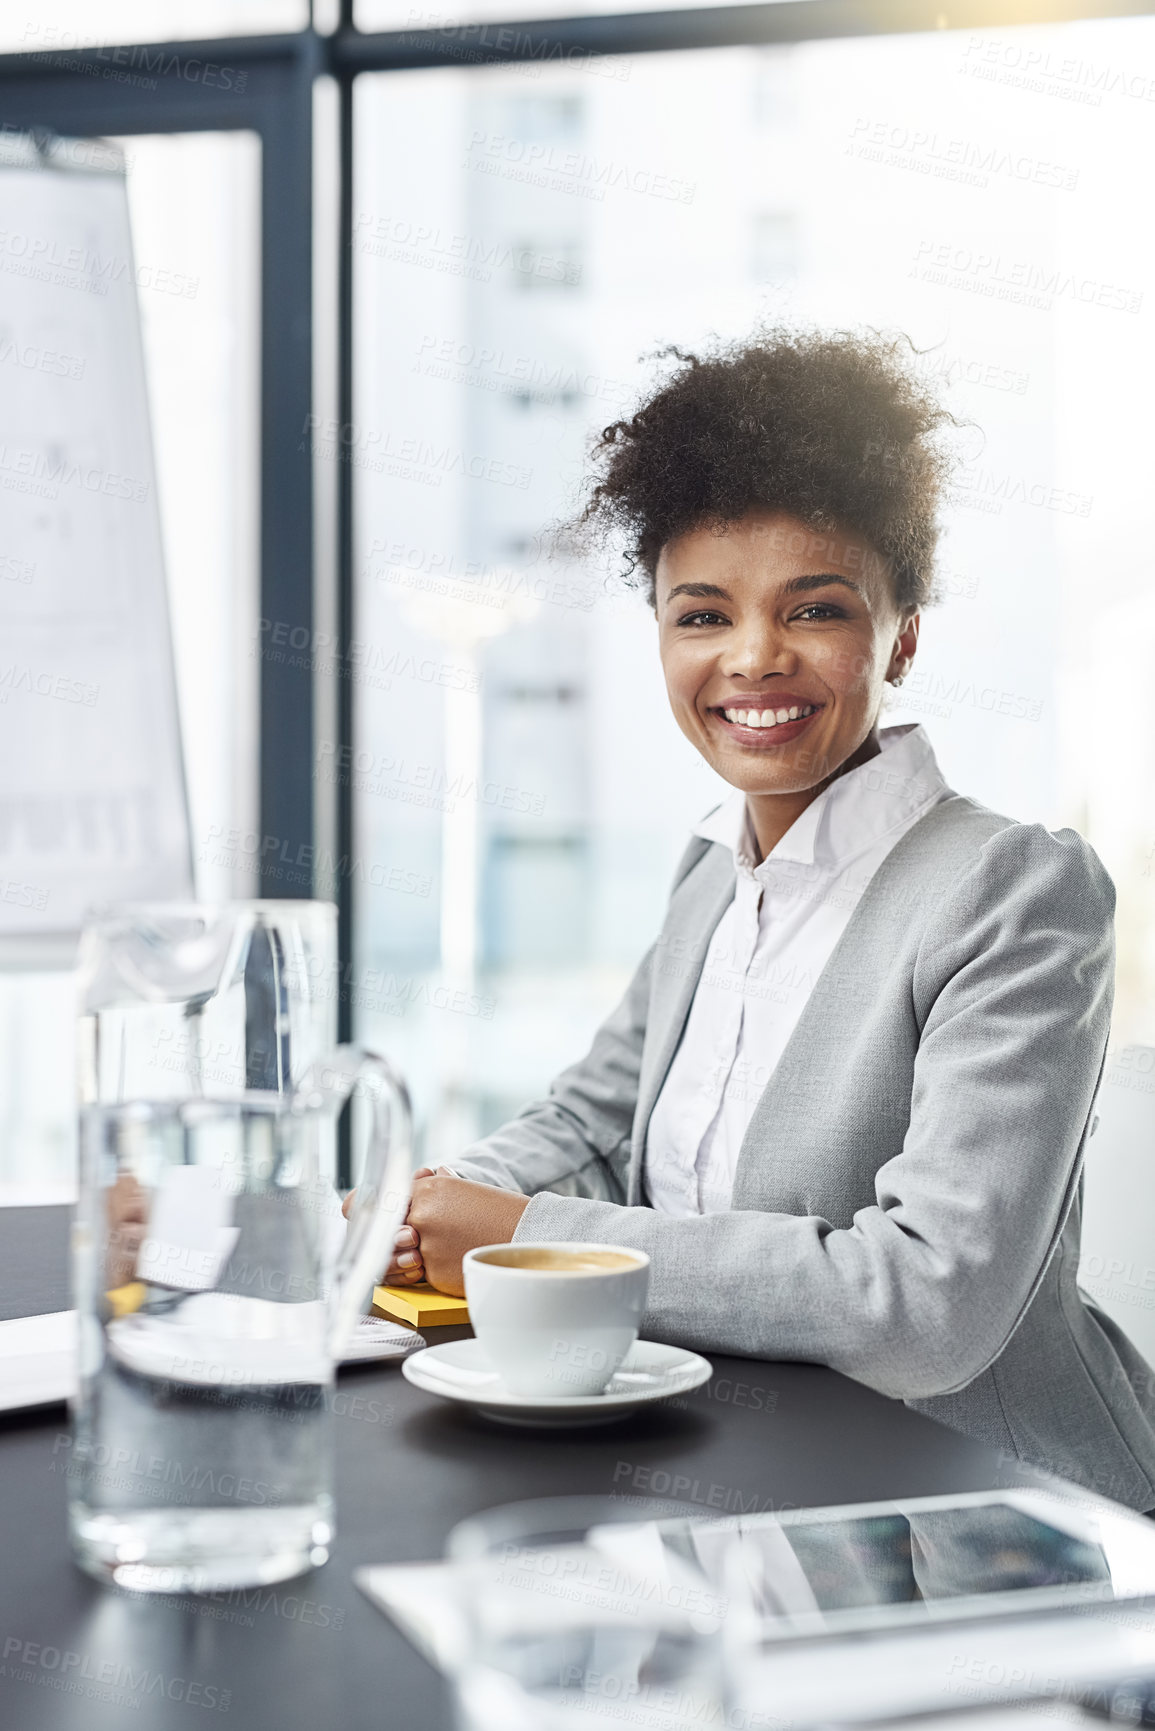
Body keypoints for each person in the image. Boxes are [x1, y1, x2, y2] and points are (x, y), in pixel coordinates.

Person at [359, 328, 1155, 1509]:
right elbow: (590, 1118)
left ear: (906, 630)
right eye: (700, 615)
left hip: (993, 1525)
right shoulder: (711, 875)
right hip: (732, 1473)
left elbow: (925, 1303)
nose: (751, 659)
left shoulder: (1014, 891)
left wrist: (530, 1235)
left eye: (814, 608)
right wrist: (409, 1215)